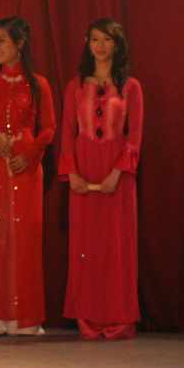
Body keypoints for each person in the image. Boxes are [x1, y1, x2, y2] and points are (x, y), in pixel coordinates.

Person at [0, 16, 55, 336]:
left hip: (25, 169)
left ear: (20, 43)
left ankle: (24, 318)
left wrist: (29, 155)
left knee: (25, 238)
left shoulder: (39, 84)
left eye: (1, 41)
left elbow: (48, 128)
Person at [58, 18, 142, 340]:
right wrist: (71, 172)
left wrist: (118, 173)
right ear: (88, 44)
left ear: (117, 45)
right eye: (95, 39)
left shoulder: (131, 87)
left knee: (116, 245)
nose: (101, 46)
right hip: (83, 169)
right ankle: (89, 317)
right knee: (86, 245)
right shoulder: (75, 86)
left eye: (107, 40)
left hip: (117, 173)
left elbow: (134, 137)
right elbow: (67, 133)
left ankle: (118, 317)